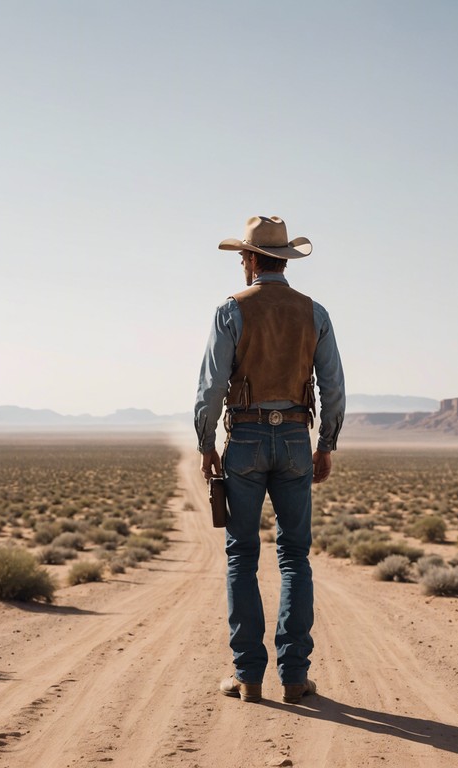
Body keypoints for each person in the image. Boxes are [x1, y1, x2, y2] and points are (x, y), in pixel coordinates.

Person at [194, 215, 345, 704]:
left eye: (242, 257)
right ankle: (295, 677)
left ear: (254, 259)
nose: (241, 264)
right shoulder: (314, 312)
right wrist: (327, 443)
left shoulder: (231, 310)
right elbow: (334, 387)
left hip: (245, 439)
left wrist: (205, 443)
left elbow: (211, 387)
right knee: (295, 557)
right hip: (298, 439)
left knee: (241, 555)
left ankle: (249, 677)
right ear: (283, 260)